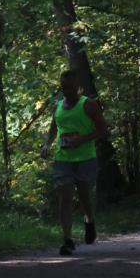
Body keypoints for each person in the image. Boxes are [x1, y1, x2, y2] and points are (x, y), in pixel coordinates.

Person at [40, 70, 108, 256]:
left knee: (85, 195)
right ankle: (67, 239)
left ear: (78, 88)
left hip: (86, 159)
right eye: (63, 87)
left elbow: (102, 130)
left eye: (70, 88)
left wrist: (82, 140)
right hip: (63, 159)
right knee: (65, 195)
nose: (66, 91)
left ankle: (90, 220)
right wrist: (47, 144)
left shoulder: (89, 105)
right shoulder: (58, 106)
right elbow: (54, 127)